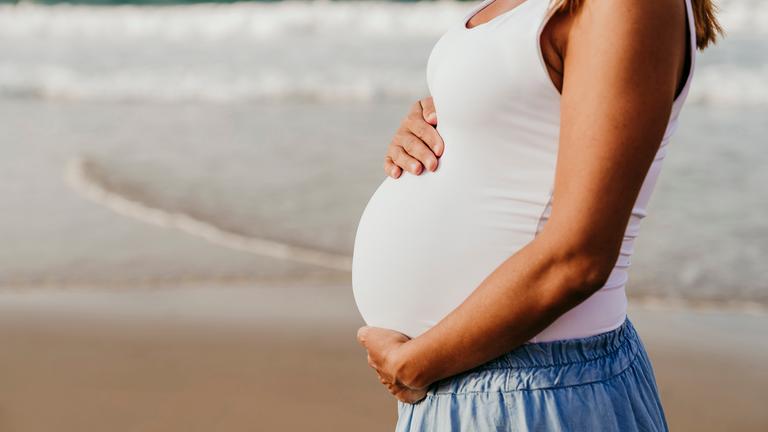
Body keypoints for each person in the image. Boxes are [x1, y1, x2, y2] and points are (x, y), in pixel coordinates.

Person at [353, 0, 723, 430]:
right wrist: (438, 121)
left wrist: (413, 365)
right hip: (468, 381)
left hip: (534, 391)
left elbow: (579, 258)